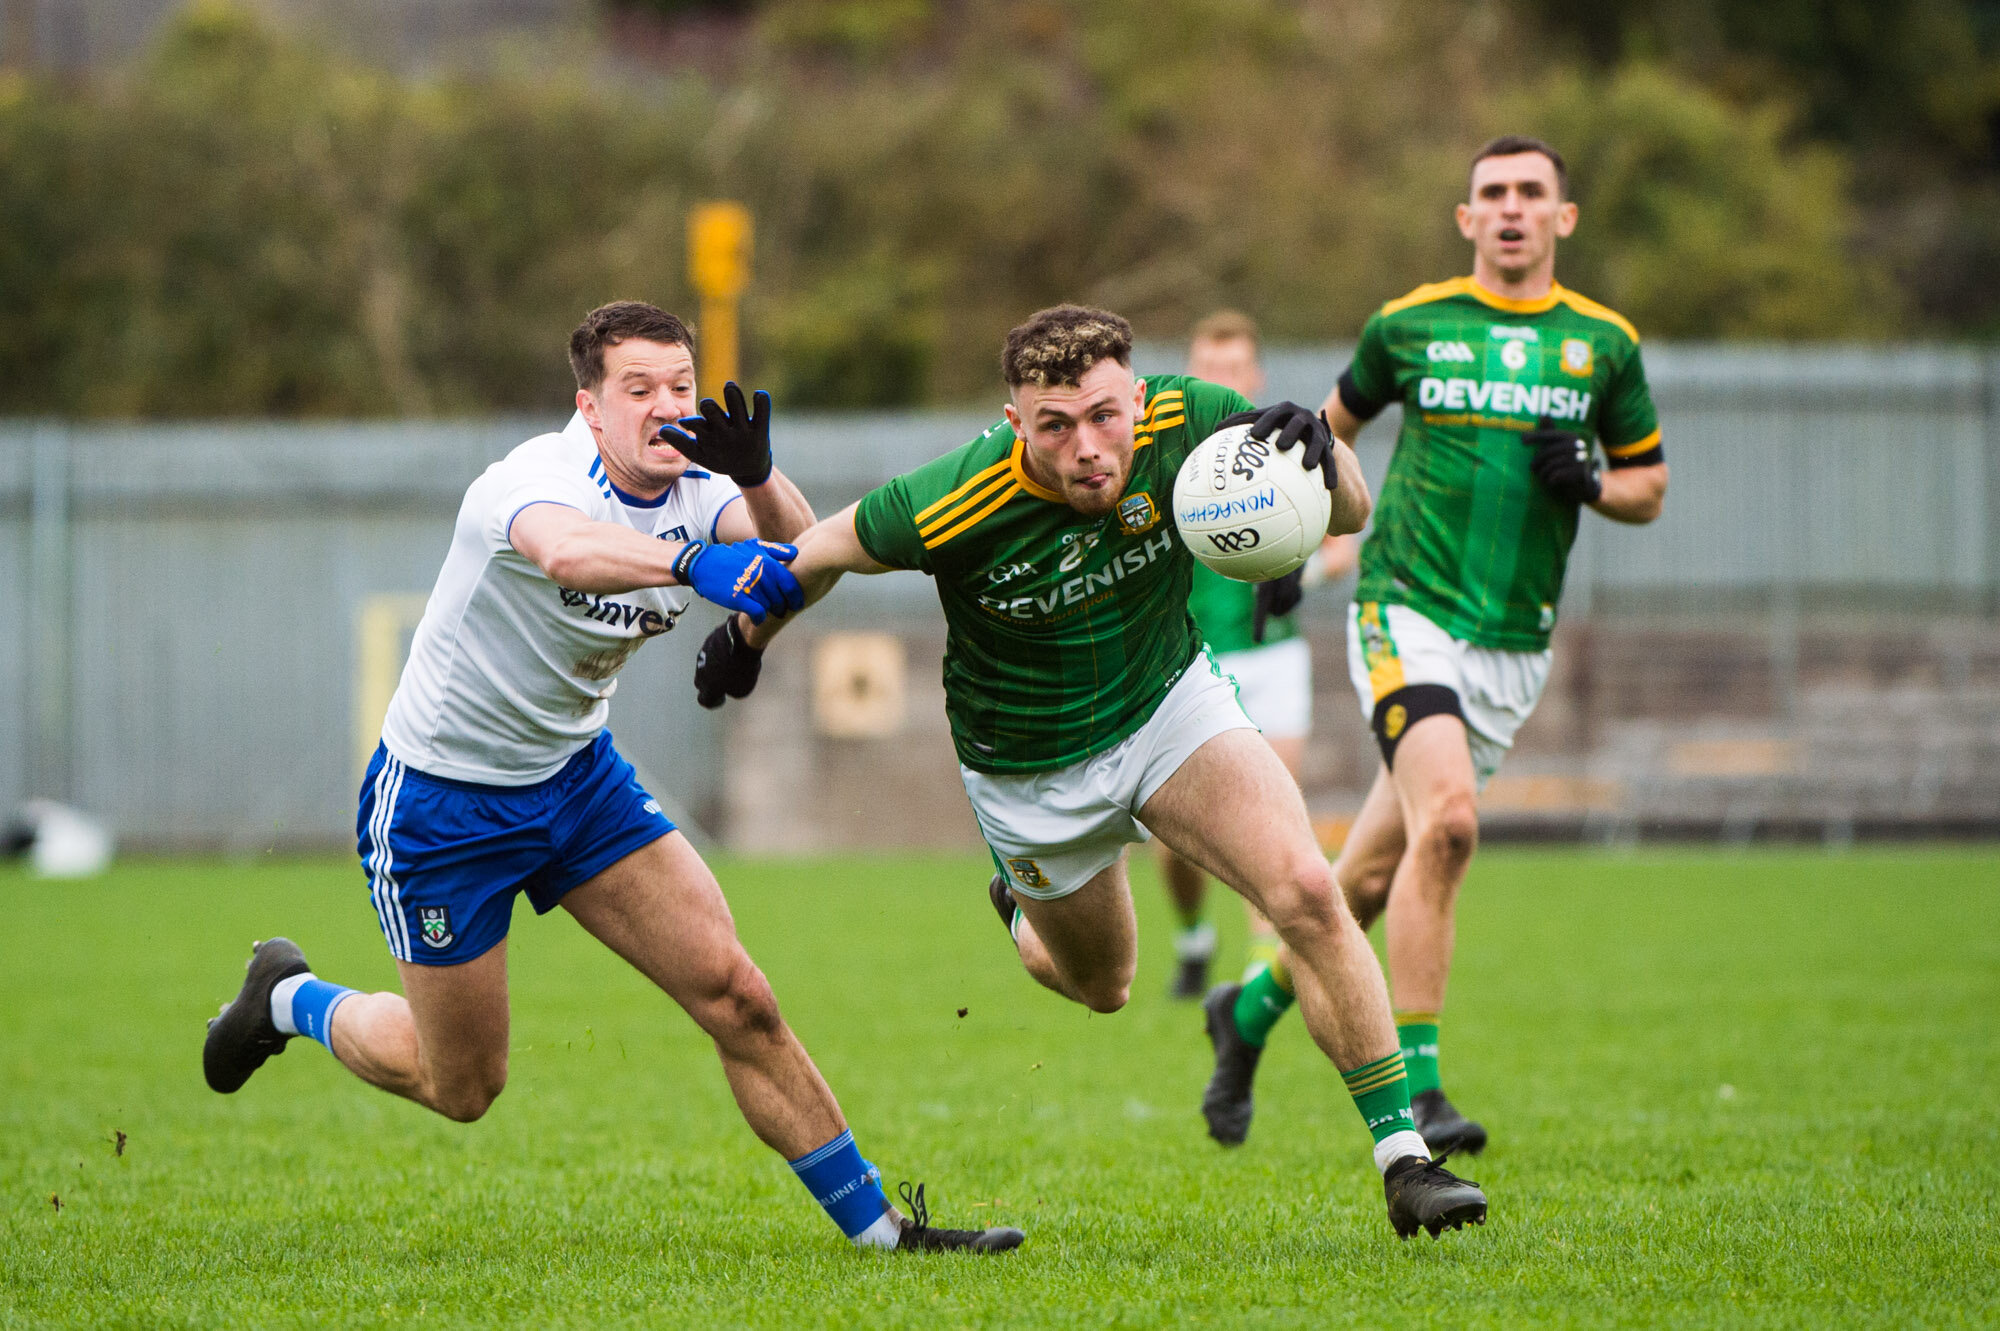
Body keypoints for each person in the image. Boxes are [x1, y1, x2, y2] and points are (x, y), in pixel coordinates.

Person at [202, 300, 1021, 1255]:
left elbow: (809, 558)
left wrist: (757, 491)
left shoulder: (700, 481)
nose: (665, 407)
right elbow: (570, 553)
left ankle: (882, 1231)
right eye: (638, 390)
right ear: (589, 406)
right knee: (461, 1085)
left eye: (680, 385)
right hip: (442, 802)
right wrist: (699, 564)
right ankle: (288, 997)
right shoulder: (532, 481)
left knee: (737, 993)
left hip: (578, 782)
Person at [694, 303, 1489, 1240]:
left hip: (1168, 708)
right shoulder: (949, 497)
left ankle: (1405, 1161)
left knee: (1309, 891)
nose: (1087, 448)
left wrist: (1322, 448)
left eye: (1106, 415)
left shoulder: (1196, 421)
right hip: (1030, 772)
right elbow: (816, 553)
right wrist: (748, 635)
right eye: (1056, 425)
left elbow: (1349, 510)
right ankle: (1020, 905)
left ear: (1139, 398)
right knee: (1103, 984)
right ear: (1014, 420)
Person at [1202, 135, 1670, 1155]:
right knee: (1447, 825)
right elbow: (1324, 430)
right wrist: (1297, 535)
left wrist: (1591, 481)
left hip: (1514, 640)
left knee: (1364, 878)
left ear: (1562, 217)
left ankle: (1241, 1015)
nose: (1508, 208)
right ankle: (1419, 1087)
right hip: (1404, 605)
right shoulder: (1407, 325)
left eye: (1528, 193)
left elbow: (1649, 485)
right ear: (1465, 219)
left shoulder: (1604, 345)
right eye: (1490, 194)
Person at [1158, 311, 1358, 999]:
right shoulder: (1162, 450)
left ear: (1256, 375)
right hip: (1186, 665)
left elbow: (1343, 543)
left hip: (1273, 659)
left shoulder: (1280, 443)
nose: (1222, 380)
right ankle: (1192, 936)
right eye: (1209, 367)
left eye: (1234, 367)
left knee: (1270, 816)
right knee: (1172, 843)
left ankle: (1255, 970)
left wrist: (1300, 574)